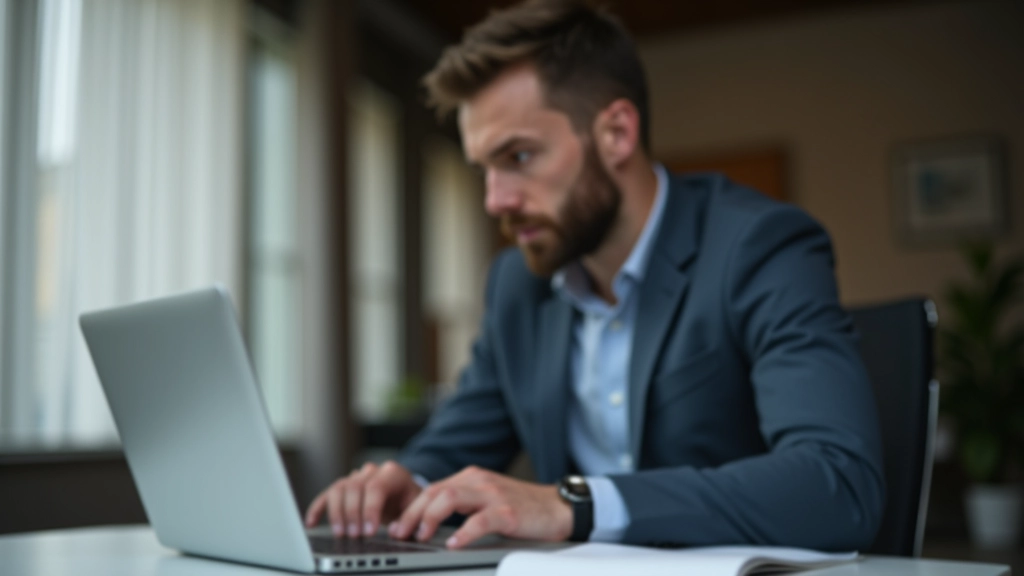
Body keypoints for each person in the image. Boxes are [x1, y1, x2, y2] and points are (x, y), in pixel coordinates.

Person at [305, 0, 885, 552]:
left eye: (520, 157)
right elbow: (458, 439)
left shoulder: (758, 247)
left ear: (616, 133)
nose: (495, 200)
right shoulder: (517, 283)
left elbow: (837, 483)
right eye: (484, 169)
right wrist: (408, 480)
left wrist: (573, 504)